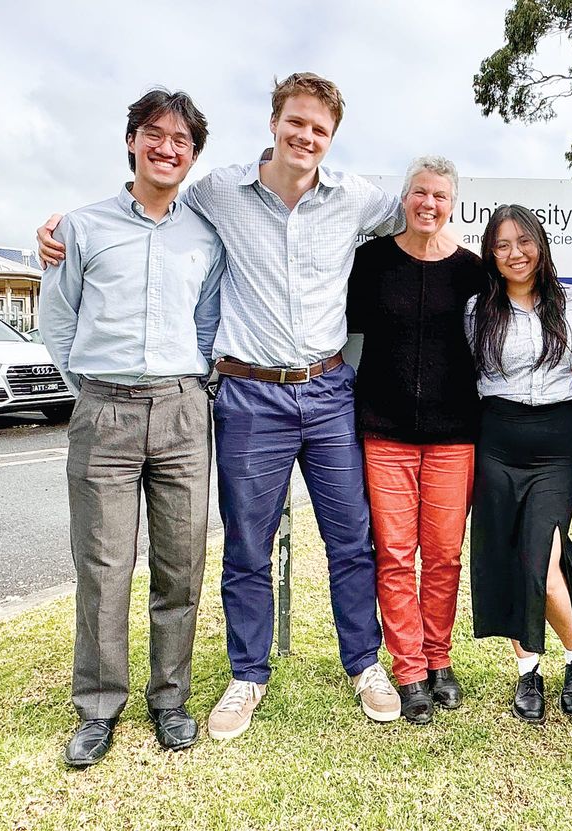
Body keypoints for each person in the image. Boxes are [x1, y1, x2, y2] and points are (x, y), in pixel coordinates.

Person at [39, 72, 408, 736]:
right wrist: (56, 231)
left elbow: (417, 216)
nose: (306, 136)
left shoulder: (356, 198)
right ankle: (247, 675)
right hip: (249, 396)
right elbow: (143, 213)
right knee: (246, 546)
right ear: (273, 122)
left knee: (351, 539)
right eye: (296, 122)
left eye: (320, 129)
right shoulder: (217, 193)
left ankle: (363, 662)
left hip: (327, 393)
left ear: (332, 138)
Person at [38, 89, 224, 767]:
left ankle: (169, 698)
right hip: (104, 408)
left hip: (182, 408)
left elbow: (207, 322)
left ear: (194, 154)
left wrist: (193, 389)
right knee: (104, 566)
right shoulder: (80, 228)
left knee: (181, 564)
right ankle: (97, 705)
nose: (167, 148)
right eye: (155, 135)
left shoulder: (204, 235)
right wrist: (89, 391)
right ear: (131, 140)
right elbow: (57, 319)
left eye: (181, 140)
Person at [346, 155, 484, 724]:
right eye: (420, 193)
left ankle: (439, 656)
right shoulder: (370, 262)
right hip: (386, 434)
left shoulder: (474, 271)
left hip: (455, 436)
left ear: (453, 205)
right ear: (405, 199)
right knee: (396, 556)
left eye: (440, 196)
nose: (429, 204)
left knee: (446, 556)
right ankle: (408, 668)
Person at [465, 204, 572, 724]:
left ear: (541, 244)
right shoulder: (477, 310)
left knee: (542, 555)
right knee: (507, 553)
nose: (515, 254)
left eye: (524, 242)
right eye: (502, 245)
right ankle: (528, 669)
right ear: (491, 255)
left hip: (556, 441)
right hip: (496, 439)